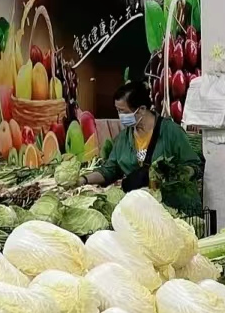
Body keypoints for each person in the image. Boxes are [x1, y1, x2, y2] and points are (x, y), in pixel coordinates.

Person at [76, 81, 204, 214]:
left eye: (123, 111)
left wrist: (173, 175)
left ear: (142, 109)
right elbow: (109, 170)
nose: (120, 116)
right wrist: (82, 180)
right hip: (139, 210)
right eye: (118, 111)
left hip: (173, 210)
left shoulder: (171, 132)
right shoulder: (123, 139)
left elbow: (195, 166)